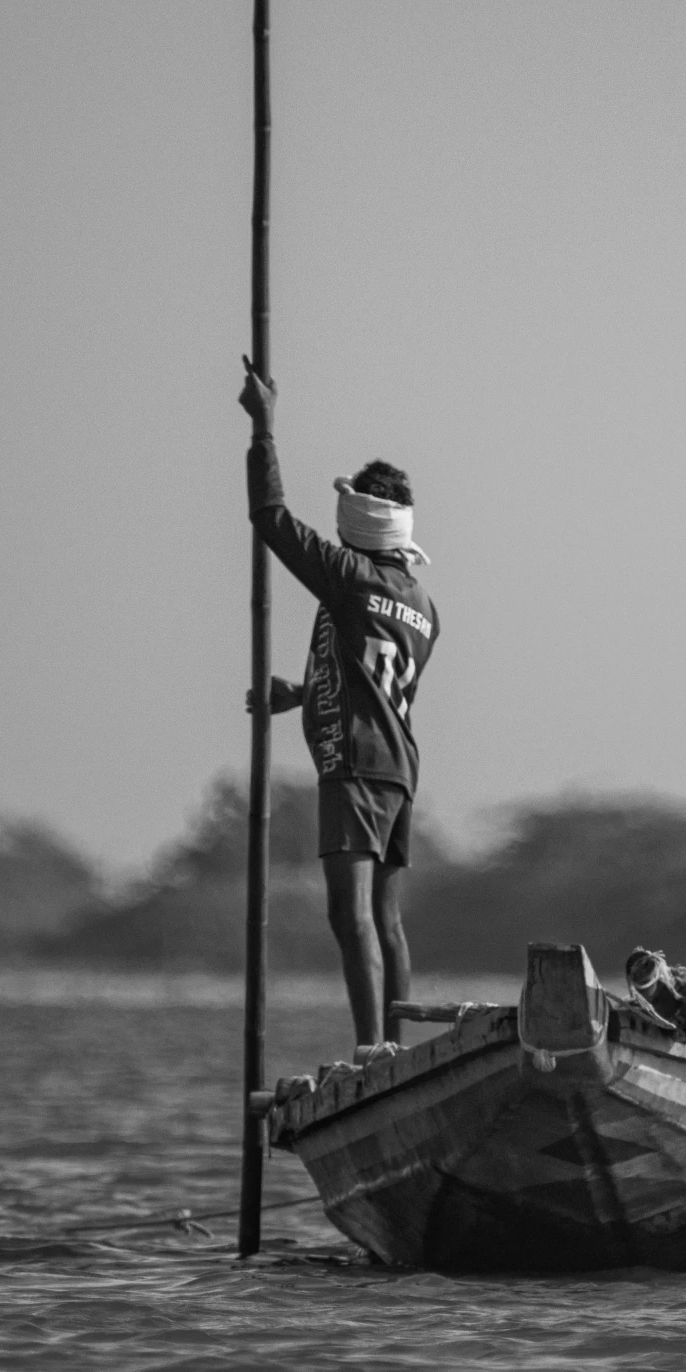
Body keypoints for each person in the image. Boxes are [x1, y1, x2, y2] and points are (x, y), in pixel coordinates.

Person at [238, 359, 438, 1058]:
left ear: (357, 523)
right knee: (386, 917)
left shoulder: (349, 576)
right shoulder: (420, 603)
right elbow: (369, 673)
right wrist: (299, 694)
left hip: (354, 765)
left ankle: (372, 1048)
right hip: (399, 766)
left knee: (347, 912)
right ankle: (397, 1041)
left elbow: (270, 518)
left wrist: (264, 428)